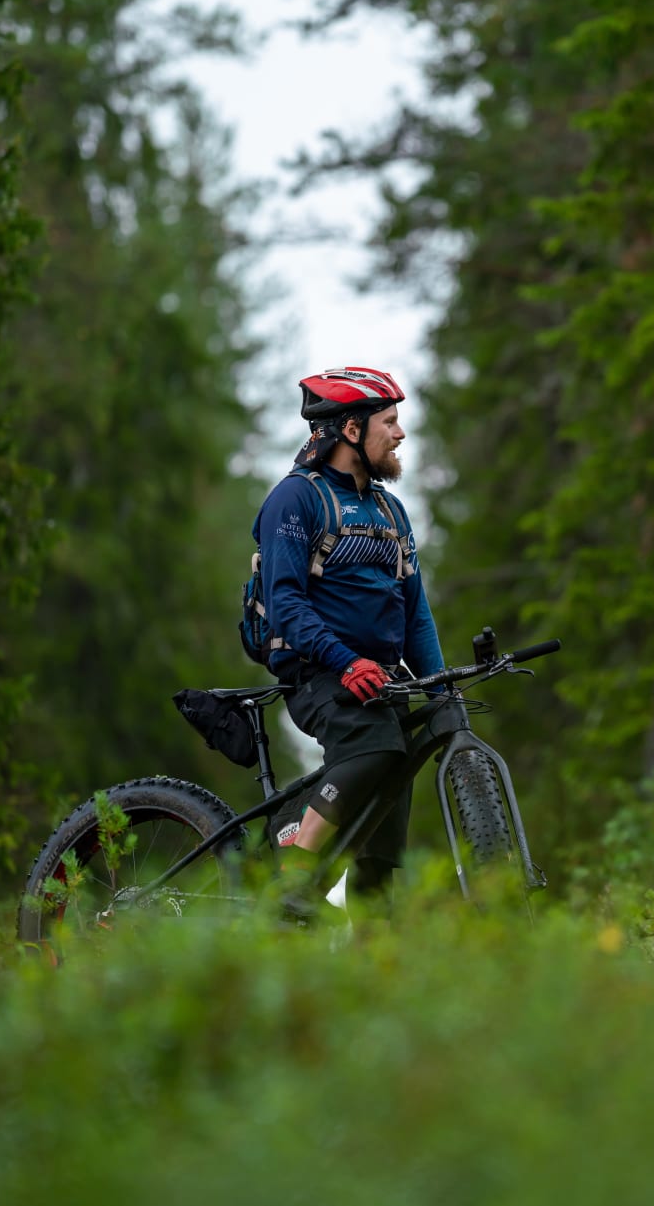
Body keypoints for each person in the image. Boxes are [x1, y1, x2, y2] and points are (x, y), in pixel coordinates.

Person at [252, 366, 445, 920]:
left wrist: (441, 690)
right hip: (319, 673)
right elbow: (285, 604)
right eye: (390, 421)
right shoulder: (295, 500)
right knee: (377, 747)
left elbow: (416, 616)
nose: (401, 433)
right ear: (353, 431)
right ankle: (293, 872)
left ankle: (373, 959)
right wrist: (345, 661)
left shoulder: (391, 510)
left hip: (380, 682)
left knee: (384, 849)